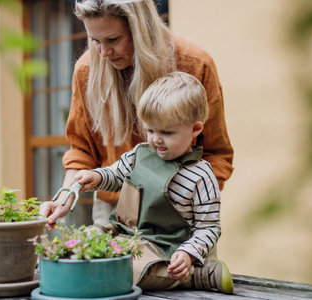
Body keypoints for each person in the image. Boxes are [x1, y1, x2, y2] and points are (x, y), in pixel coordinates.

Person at [40, 0, 233, 234]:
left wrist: (188, 200)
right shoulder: (86, 70)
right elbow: (82, 150)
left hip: (179, 213)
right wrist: (65, 196)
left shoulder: (194, 63)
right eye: (94, 41)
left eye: (113, 40)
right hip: (112, 209)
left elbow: (217, 154)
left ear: (142, 28)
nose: (103, 52)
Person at [72, 72, 233, 293]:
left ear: (195, 129)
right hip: (127, 234)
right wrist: (97, 177)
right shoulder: (140, 154)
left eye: (166, 132)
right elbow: (116, 174)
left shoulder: (201, 176)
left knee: (128, 270)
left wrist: (188, 254)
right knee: (87, 240)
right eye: (150, 130)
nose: (156, 139)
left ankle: (200, 275)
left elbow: (209, 227)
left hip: (166, 248)